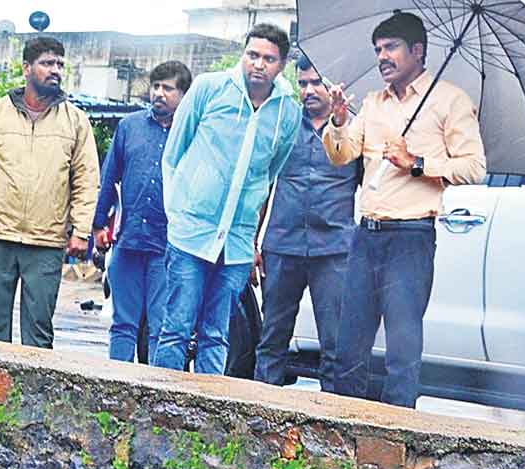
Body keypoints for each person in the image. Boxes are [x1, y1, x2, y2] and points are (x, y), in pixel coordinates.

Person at [323, 12, 485, 408]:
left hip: (410, 237)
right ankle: (343, 427)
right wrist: (339, 121)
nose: (382, 57)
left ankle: (397, 432)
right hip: (367, 234)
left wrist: (416, 163)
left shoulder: (449, 100)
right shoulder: (373, 103)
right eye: (378, 49)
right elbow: (341, 155)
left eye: (391, 47)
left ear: (417, 50)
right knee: (350, 343)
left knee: (402, 347)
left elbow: (474, 167)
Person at [154, 23, 301, 375]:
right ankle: (160, 401)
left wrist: (252, 239)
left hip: (236, 242)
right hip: (191, 232)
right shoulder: (210, 88)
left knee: (217, 333)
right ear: (243, 54)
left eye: (268, 59)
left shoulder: (287, 112)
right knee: (176, 328)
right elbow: (173, 154)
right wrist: (177, 213)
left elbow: (269, 176)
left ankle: (208, 405)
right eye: (252, 55)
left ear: (281, 65)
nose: (258, 64)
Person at [0, 36, 100, 349]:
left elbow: (87, 180)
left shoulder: (75, 121)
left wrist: (81, 231)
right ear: (26, 68)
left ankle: (35, 384)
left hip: (46, 241)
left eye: (59, 64)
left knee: (39, 332)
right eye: (47, 63)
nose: (55, 70)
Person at [253, 58, 358, 387]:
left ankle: (333, 416)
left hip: (335, 250)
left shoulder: (353, 130)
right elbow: (262, 185)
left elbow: (372, 187)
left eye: (316, 83)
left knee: (336, 345)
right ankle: (261, 411)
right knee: (271, 339)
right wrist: (252, 243)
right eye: (302, 83)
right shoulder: (283, 124)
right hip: (282, 245)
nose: (309, 90)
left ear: (333, 86)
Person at [93, 61, 192, 363]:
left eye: (168, 88)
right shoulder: (129, 127)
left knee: (160, 327)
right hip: (129, 239)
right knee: (123, 323)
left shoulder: (191, 133)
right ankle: (115, 383)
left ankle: (153, 386)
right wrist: (99, 225)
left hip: (168, 245)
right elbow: (110, 177)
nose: (159, 93)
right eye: (156, 86)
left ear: (184, 95)